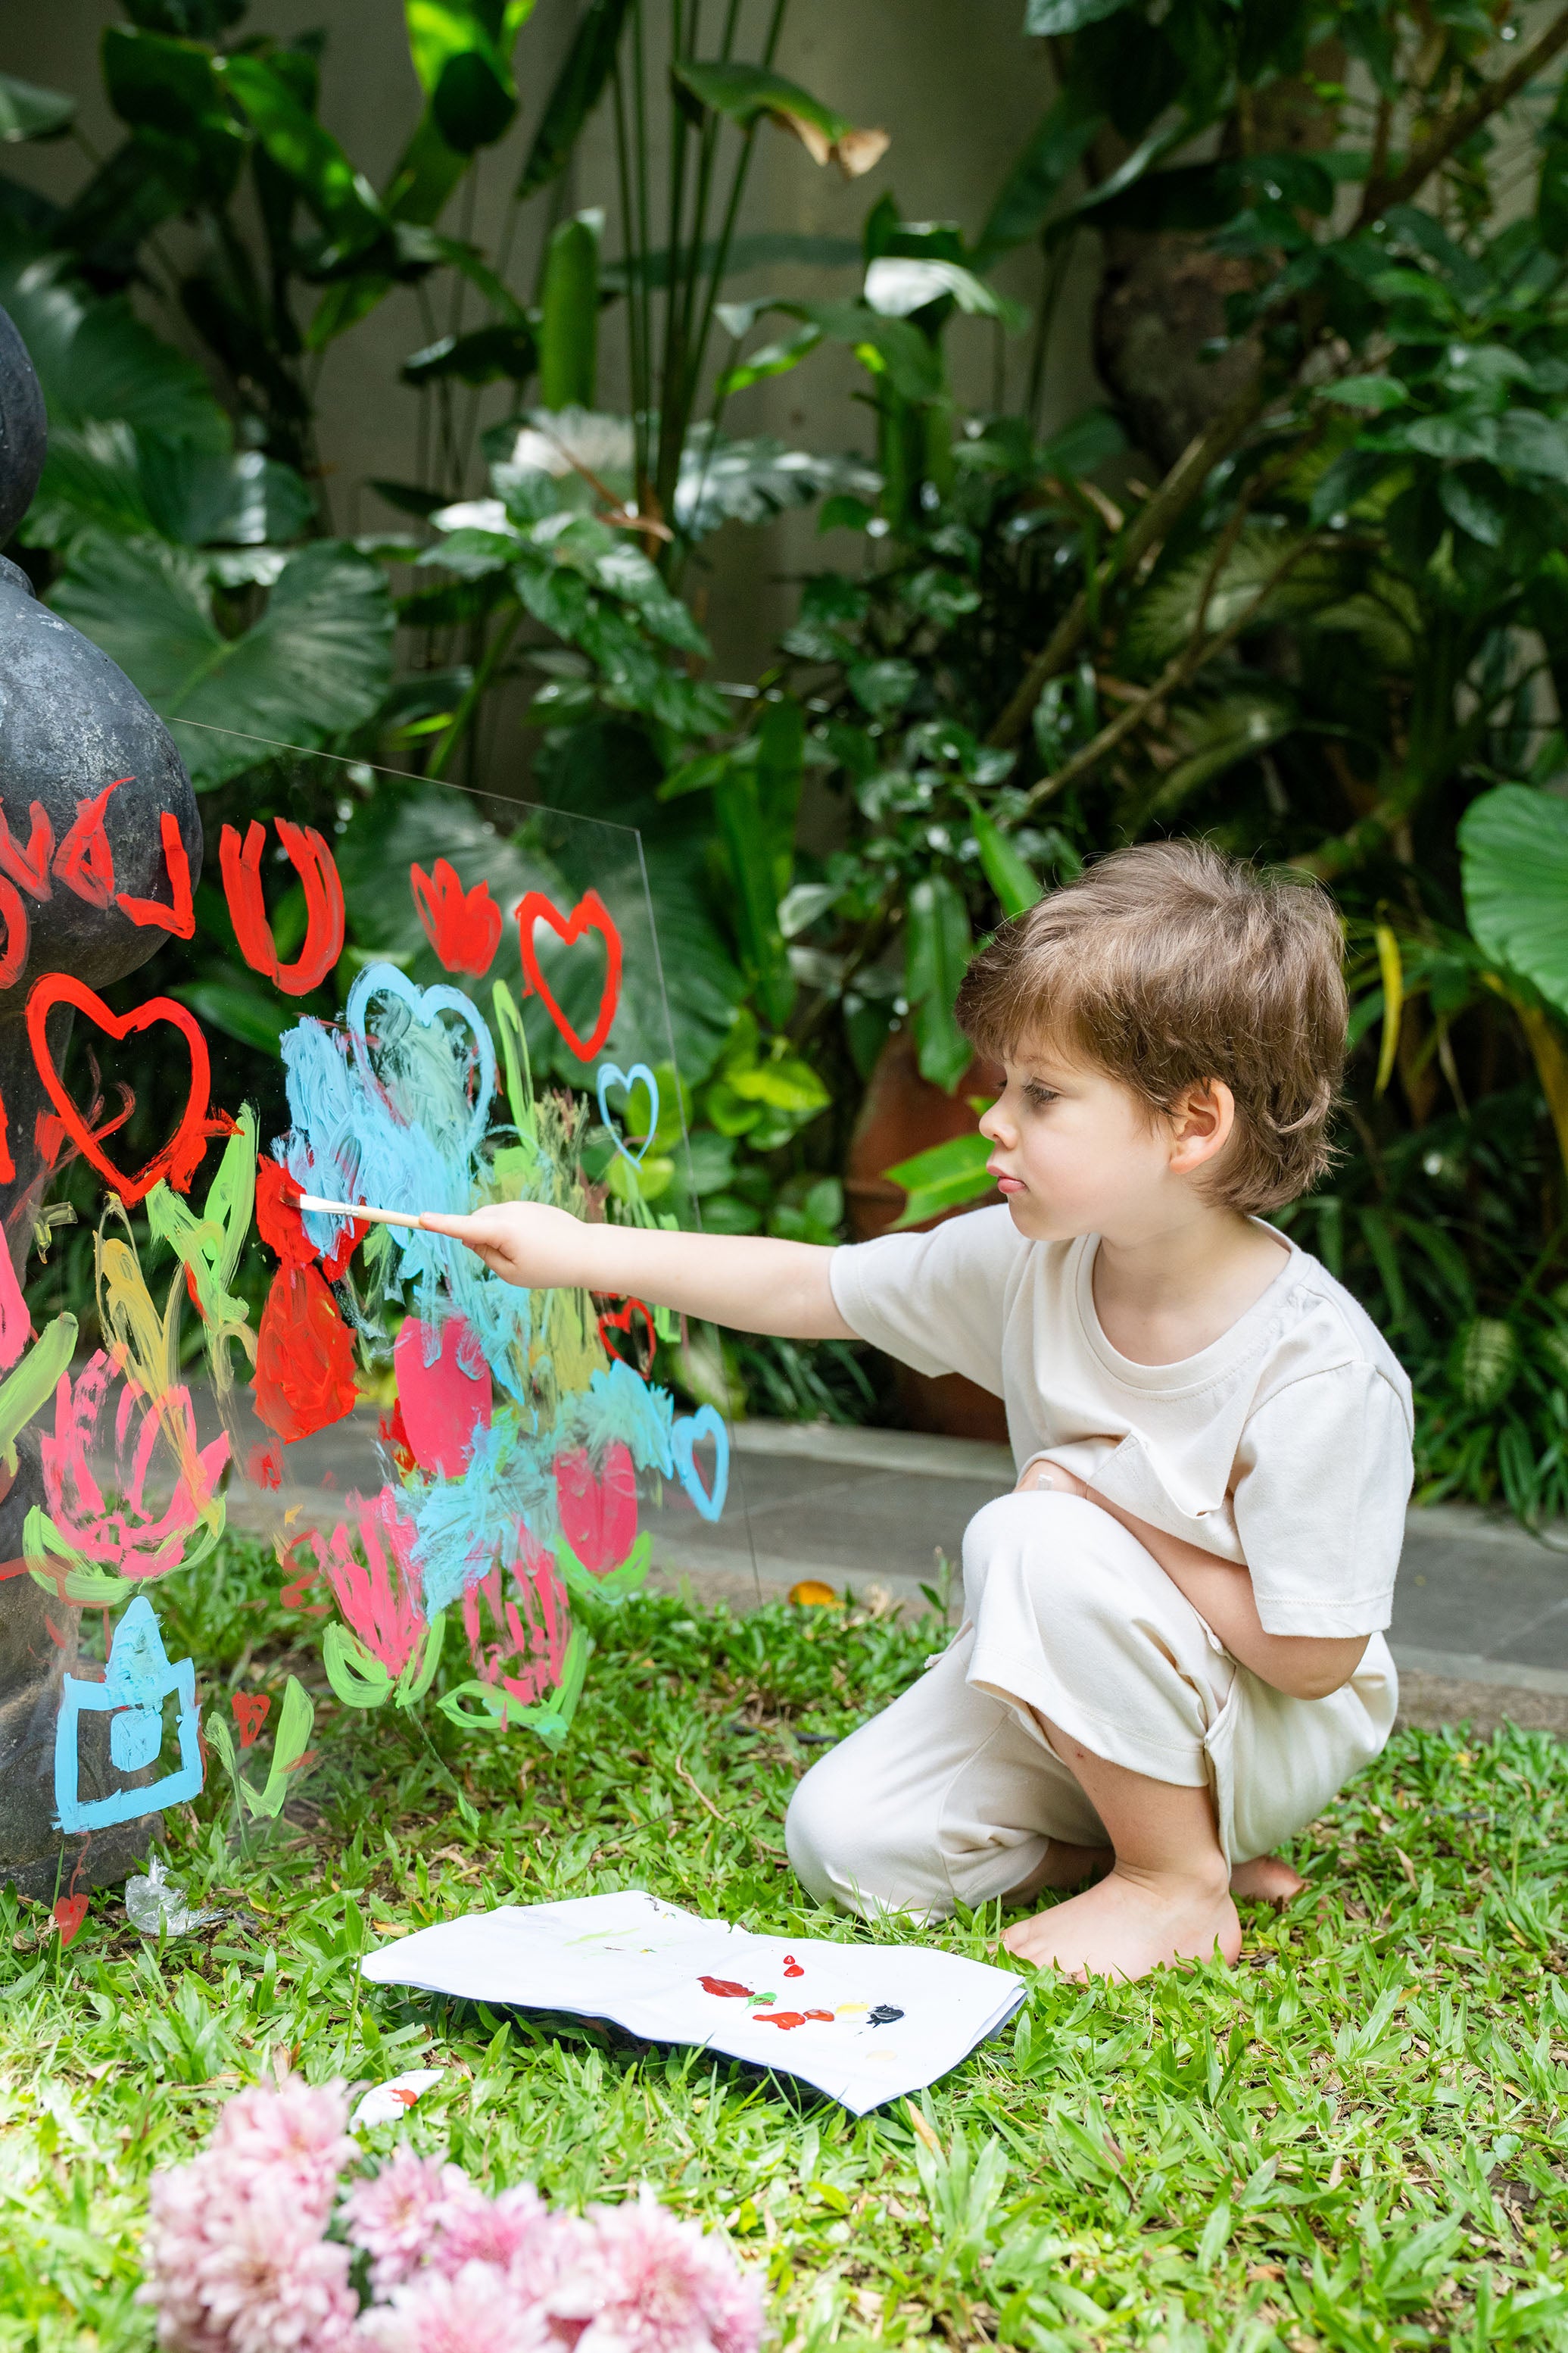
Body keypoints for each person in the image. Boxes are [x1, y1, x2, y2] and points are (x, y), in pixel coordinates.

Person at [426, 841, 1411, 1984]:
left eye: (1042, 1094)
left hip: (1266, 1729)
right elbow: (812, 1286)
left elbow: (1313, 1660)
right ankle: (1142, 1845)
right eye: (1005, 1085)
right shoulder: (1033, 1261)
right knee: (845, 1842)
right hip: (1088, 1699)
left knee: (1032, 1531)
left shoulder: (1319, 1373)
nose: (993, 1120)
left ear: (1194, 1123)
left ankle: (1173, 1882)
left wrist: (1097, 1505)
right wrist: (579, 1251)